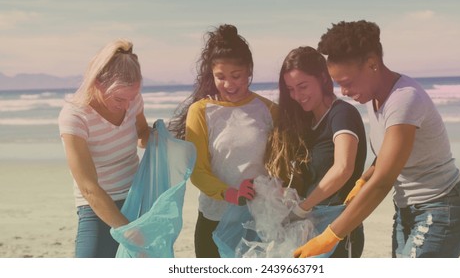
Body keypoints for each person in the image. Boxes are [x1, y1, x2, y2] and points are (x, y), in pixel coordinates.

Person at [294, 20, 460, 258]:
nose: (344, 92)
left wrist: (330, 237)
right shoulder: (375, 97)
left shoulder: (404, 100)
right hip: (406, 209)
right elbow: (388, 153)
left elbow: (383, 182)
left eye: (346, 82)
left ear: (372, 64)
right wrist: (363, 179)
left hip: (442, 208)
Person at [167, 24, 277, 258]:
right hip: (213, 219)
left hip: (255, 222)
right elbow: (197, 171)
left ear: (249, 71)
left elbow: (282, 165)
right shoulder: (201, 111)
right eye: (220, 77)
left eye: (236, 76)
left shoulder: (268, 110)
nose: (229, 84)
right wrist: (230, 193)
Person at [264, 46, 367, 257]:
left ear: (322, 78)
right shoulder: (308, 122)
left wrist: (302, 208)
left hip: (339, 230)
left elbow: (343, 168)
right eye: (290, 89)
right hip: (314, 227)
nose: (296, 95)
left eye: (302, 86)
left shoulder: (342, 114)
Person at [58, 39, 150, 258]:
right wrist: (128, 230)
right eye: (120, 98)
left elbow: (142, 136)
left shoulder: (132, 100)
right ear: (98, 82)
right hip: (95, 203)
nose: (127, 106)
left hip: (135, 196)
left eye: (132, 96)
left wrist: (164, 138)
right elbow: (89, 188)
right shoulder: (75, 116)